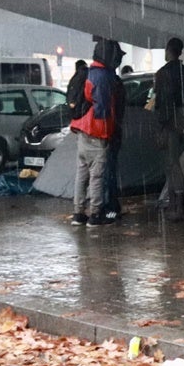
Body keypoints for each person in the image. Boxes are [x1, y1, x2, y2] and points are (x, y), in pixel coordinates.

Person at [70, 39, 120, 227]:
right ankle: (96, 214)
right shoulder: (103, 76)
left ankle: (78, 213)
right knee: (97, 175)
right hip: (97, 132)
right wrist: (109, 133)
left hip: (82, 129)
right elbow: (103, 109)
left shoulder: (89, 72)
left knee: (82, 173)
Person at [154, 37, 184, 221]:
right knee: (172, 160)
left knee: (171, 162)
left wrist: (161, 124)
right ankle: (175, 203)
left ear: (169, 50)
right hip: (181, 115)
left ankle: (177, 205)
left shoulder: (163, 73)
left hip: (169, 119)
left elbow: (163, 101)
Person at [101, 43, 127, 222]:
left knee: (106, 170)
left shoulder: (106, 80)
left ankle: (107, 206)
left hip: (107, 132)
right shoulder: (115, 82)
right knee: (109, 169)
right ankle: (111, 206)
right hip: (113, 131)